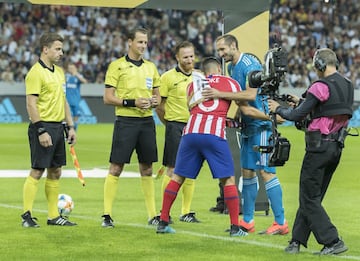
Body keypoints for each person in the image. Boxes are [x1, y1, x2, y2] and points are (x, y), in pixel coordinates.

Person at [268, 48, 353, 255]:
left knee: (308, 198)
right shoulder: (348, 85)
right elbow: (326, 108)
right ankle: (296, 241)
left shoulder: (320, 85)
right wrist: (302, 102)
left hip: (318, 148)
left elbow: (297, 116)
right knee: (312, 197)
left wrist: (277, 108)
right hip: (336, 148)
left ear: (320, 65)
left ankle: (333, 241)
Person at [157, 57, 250, 236]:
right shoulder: (230, 82)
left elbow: (191, 107)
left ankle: (163, 222)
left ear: (205, 72)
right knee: (228, 180)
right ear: (219, 70)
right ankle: (235, 228)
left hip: (190, 133)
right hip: (214, 134)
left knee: (177, 177)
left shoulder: (192, 85)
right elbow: (242, 104)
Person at [214, 34, 288, 235]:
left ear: (234, 46)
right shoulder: (231, 67)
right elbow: (242, 102)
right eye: (218, 51)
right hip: (248, 126)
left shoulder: (250, 64)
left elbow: (250, 95)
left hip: (262, 125)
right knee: (247, 172)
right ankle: (248, 220)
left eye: (223, 50)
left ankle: (281, 222)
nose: (221, 54)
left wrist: (219, 94)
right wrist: (238, 115)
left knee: (266, 172)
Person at [101, 28, 161, 228]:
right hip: (126, 121)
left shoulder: (151, 67)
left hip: (146, 122)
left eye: (145, 42)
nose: (143, 46)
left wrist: (154, 101)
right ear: (129, 42)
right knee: (116, 167)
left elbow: (158, 96)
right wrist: (131, 103)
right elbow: (108, 98)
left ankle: (153, 215)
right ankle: (107, 214)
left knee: (147, 167)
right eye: (140, 42)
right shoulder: (117, 66)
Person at [21, 32, 77, 227]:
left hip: (58, 127)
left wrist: (70, 126)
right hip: (43, 126)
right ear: (45, 49)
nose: (61, 53)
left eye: (61, 49)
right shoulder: (35, 73)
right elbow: (31, 104)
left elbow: (64, 101)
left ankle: (53, 216)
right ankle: (26, 216)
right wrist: (40, 130)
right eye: (57, 49)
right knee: (37, 170)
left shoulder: (60, 72)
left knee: (56, 171)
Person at [155, 41, 200, 223]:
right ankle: (165, 212)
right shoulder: (167, 77)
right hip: (175, 126)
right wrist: (169, 124)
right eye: (185, 57)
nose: (189, 60)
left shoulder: (199, 77)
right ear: (177, 58)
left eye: (191, 56)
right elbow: (159, 105)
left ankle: (186, 212)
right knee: (172, 169)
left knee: (191, 169)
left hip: (195, 126)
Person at [65, 63, 88, 131]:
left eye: (72, 68)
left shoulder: (78, 76)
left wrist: (76, 74)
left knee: (76, 116)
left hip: (76, 101)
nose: (70, 69)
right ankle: (67, 131)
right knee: (66, 117)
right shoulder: (66, 76)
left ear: (75, 68)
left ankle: (74, 130)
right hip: (67, 101)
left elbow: (85, 82)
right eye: (69, 68)